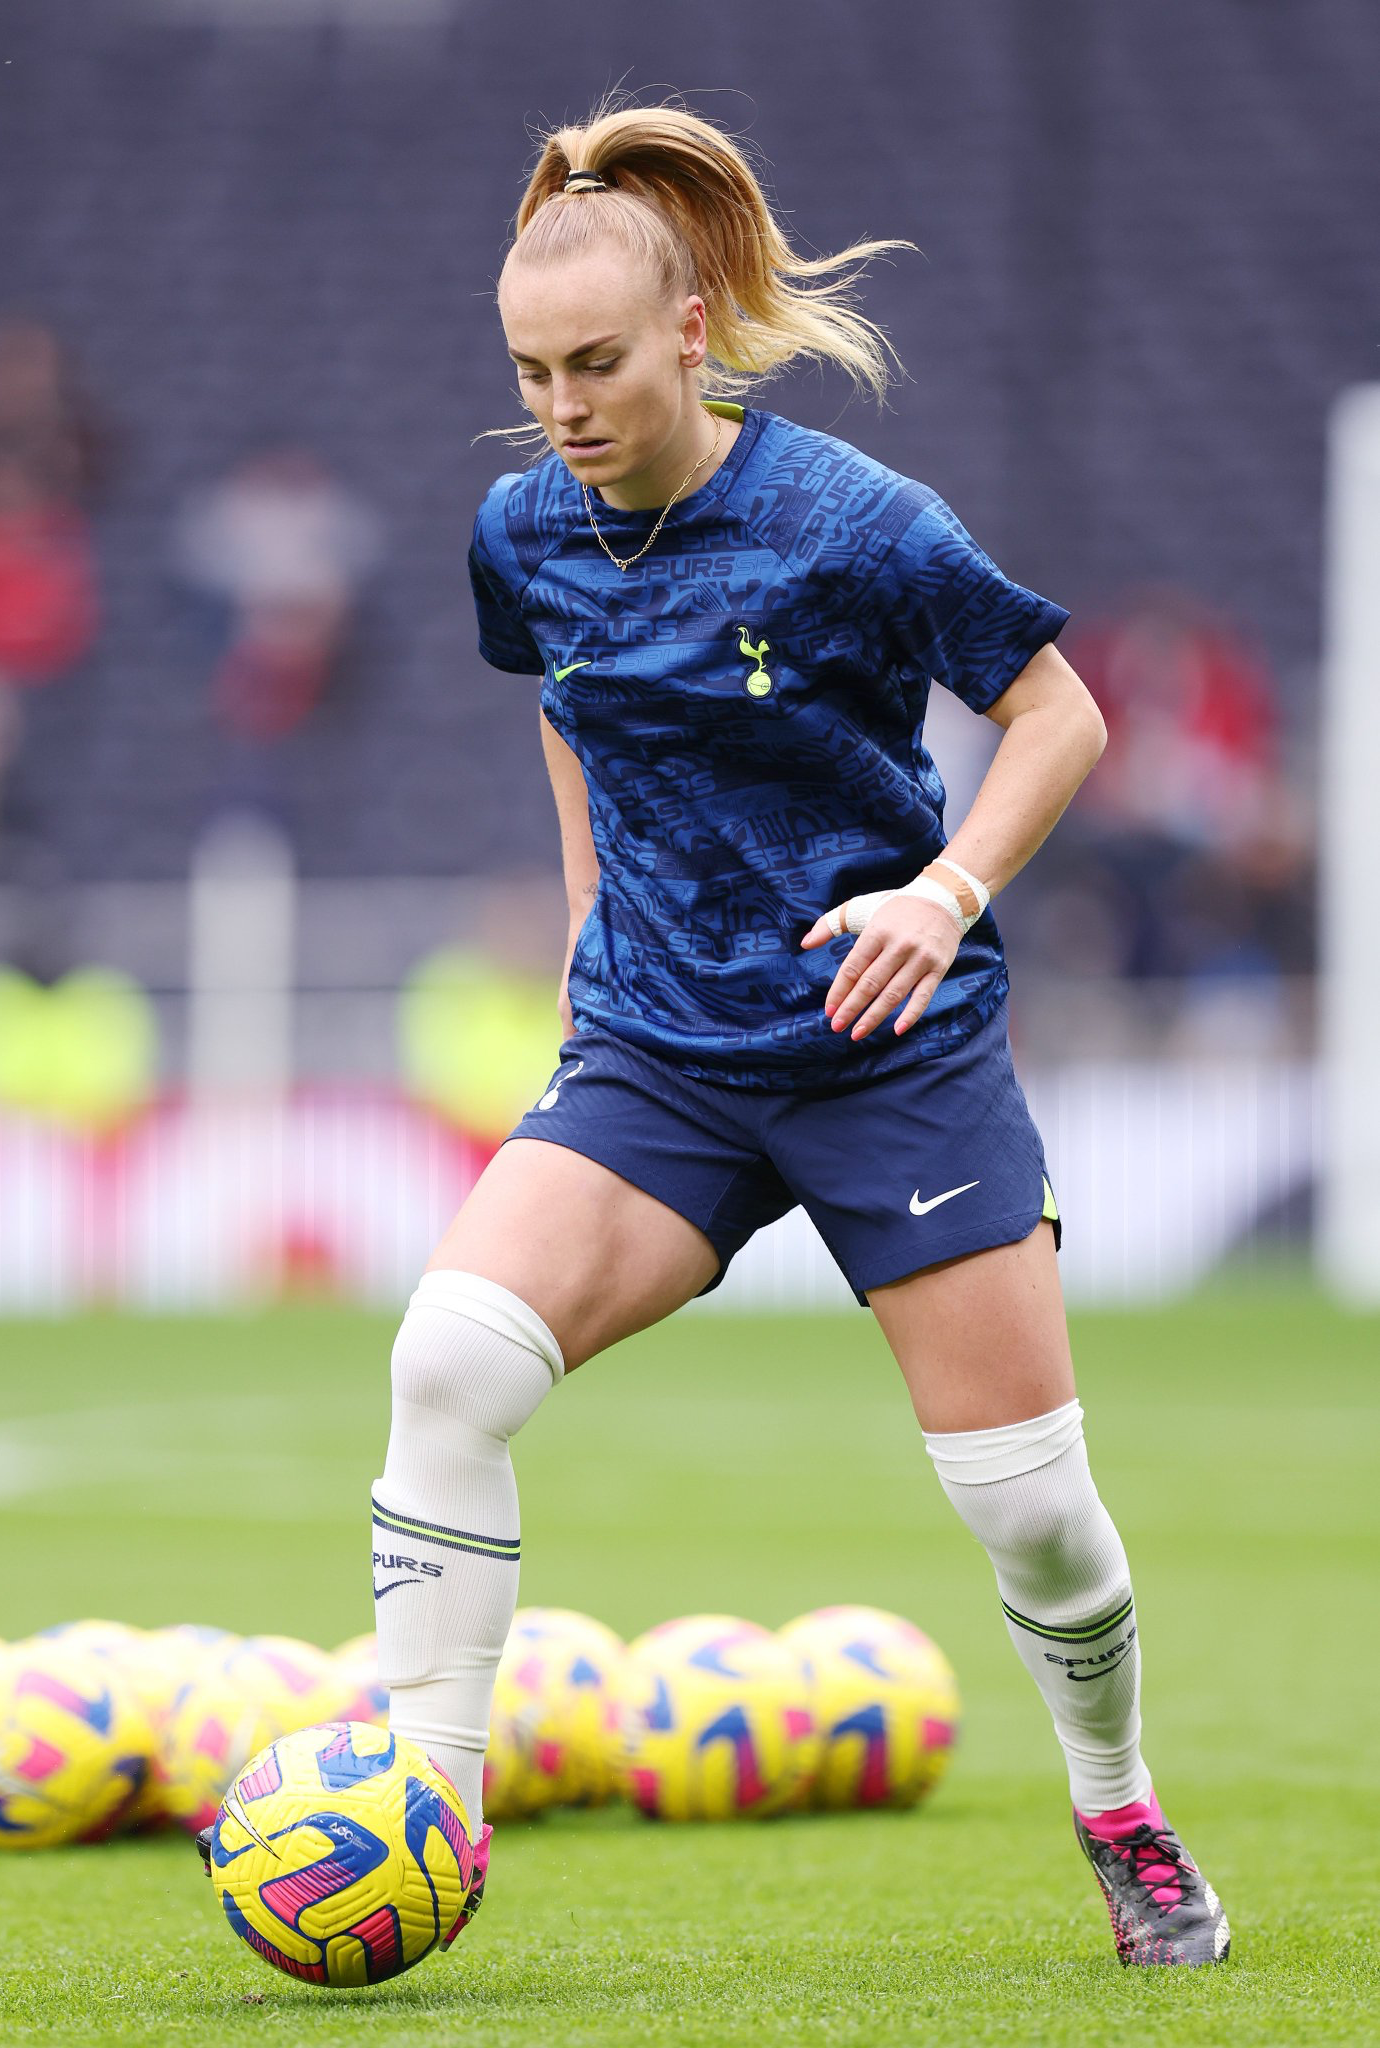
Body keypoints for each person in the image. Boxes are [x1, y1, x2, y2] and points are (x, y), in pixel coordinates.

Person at [352, 105, 1227, 1969]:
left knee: (1035, 1515)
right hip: (659, 1057)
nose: (562, 406)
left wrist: (943, 896)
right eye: (529, 373)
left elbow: (1056, 712)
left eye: (593, 364)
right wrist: (593, 912)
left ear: (685, 333)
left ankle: (1119, 1806)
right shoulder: (520, 526)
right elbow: (562, 707)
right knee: (444, 1367)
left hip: (880, 1045)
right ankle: (428, 1811)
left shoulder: (849, 519)